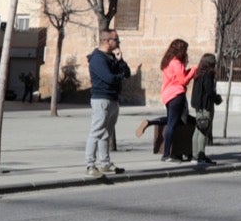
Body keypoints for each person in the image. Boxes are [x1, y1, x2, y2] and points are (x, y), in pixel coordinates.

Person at [139, 39, 198, 162]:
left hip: (168, 95)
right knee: (174, 123)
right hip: (177, 94)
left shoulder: (168, 61)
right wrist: (193, 71)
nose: (186, 53)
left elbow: (179, 76)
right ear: (180, 50)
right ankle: (167, 155)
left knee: (174, 120)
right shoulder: (177, 63)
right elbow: (183, 81)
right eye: (185, 50)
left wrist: (187, 71)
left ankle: (151, 122)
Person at [83, 28, 130, 178]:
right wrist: (120, 76)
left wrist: (120, 60)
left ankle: (105, 163)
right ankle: (90, 165)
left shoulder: (111, 57)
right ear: (107, 41)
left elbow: (127, 73)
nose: (119, 42)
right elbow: (108, 78)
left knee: (106, 133)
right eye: (116, 40)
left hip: (113, 99)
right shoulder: (97, 58)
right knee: (96, 132)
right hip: (101, 99)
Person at [189, 54, 222, 168]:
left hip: (198, 106)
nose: (215, 63)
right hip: (205, 106)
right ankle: (201, 155)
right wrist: (217, 99)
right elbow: (209, 91)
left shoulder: (198, 73)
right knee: (204, 129)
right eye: (214, 61)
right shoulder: (208, 74)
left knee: (198, 129)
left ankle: (194, 156)